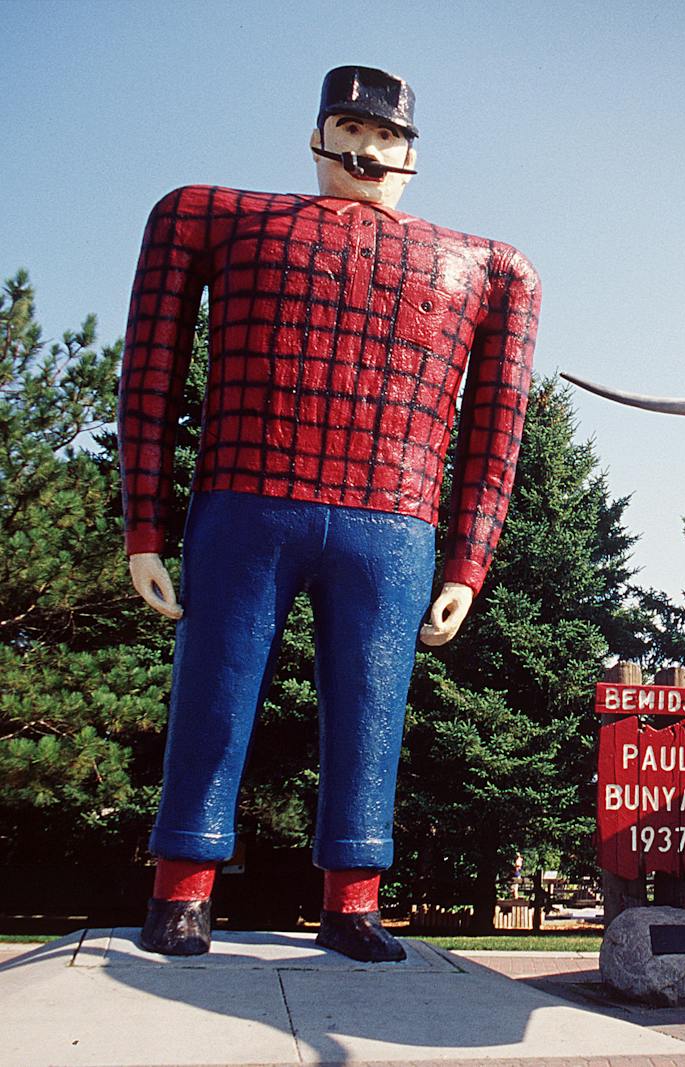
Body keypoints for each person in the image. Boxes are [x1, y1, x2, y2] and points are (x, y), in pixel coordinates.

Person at [120, 65, 540, 961]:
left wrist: (470, 561)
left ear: (412, 152)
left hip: (392, 517)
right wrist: (143, 526)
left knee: (373, 704)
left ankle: (353, 899)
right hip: (247, 494)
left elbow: (497, 431)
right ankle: (181, 888)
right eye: (351, 127)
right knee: (215, 690)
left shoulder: (490, 269)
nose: (369, 148)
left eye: (388, 134)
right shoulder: (210, 216)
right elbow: (149, 373)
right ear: (318, 136)